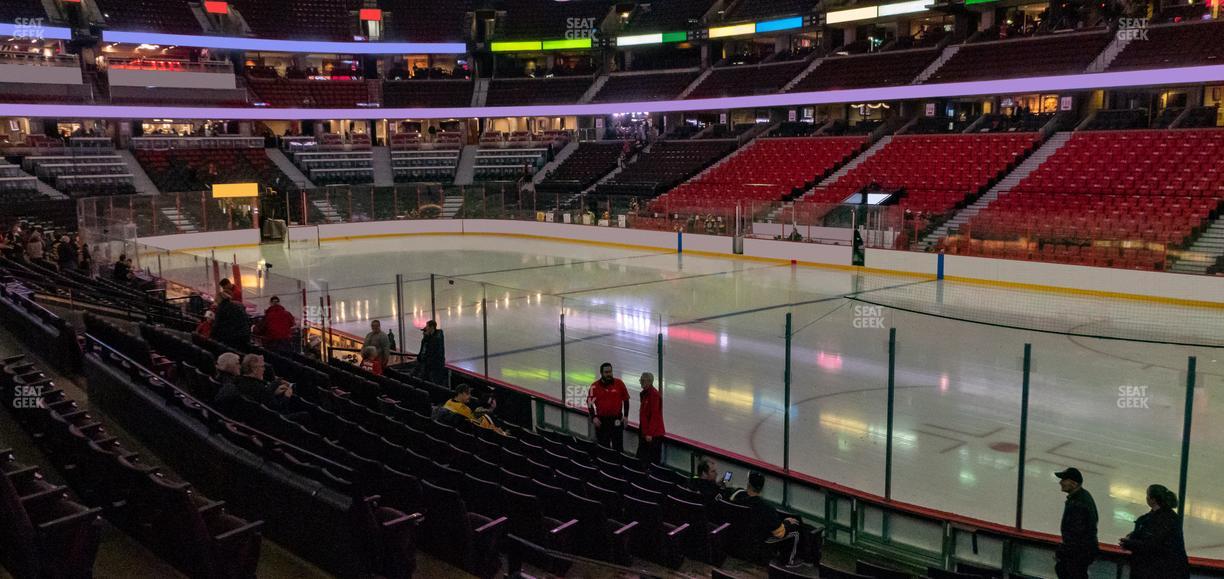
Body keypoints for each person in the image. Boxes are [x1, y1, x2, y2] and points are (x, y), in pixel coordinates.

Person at [730, 472, 803, 568]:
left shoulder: (736, 496)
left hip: (736, 541)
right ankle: (788, 562)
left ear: (748, 485)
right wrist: (787, 523)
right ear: (761, 488)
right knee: (795, 532)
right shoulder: (767, 508)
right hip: (756, 544)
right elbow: (780, 533)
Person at [1120, 484, 1189, 579]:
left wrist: (1130, 544)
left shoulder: (1164, 519)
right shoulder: (1162, 516)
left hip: (1162, 570)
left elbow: (1153, 545)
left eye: (1148, 495)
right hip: (1162, 568)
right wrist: (1132, 536)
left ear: (1153, 500)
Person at [1055, 467, 1099, 579]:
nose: (1060, 482)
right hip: (1081, 551)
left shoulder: (1078, 503)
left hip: (1078, 552)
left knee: (1069, 572)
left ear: (1074, 483)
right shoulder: (1081, 497)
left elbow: (1077, 532)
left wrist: (1065, 550)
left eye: (1064, 480)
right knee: (1063, 569)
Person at [587, 362, 629, 453]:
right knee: (603, 447)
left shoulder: (619, 383)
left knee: (618, 447)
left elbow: (626, 400)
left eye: (610, 372)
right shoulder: (594, 386)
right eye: (606, 372)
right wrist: (593, 417)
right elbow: (589, 403)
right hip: (602, 421)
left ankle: (618, 461)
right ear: (601, 373)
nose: (609, 374)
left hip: (616, 420)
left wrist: (626, 416)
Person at [438, 384, 505, 434]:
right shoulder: (464, 409)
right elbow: (475, 424)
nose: (470, 396)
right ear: (461, 394)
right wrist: (494, 429)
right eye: (468, 394)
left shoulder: (449, 401)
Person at [636, 372, 664, 465]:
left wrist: (650, 433)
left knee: (651, 459)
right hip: (645, 431)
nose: (640, 382)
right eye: (641, 380)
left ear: (649, 381)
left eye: (642, 380)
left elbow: (655, 415)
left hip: (652, 434)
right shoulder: (644, 394)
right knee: (642, 458)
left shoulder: (654, 395)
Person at [415, 320, 446, 385]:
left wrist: (426, 337)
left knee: (434, 382)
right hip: (429, 365)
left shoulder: (436, 338)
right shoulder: (430, 337)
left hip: (435, 366)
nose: (426, 329)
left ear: (431, 327)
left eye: (427, 327)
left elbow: (432, 350)